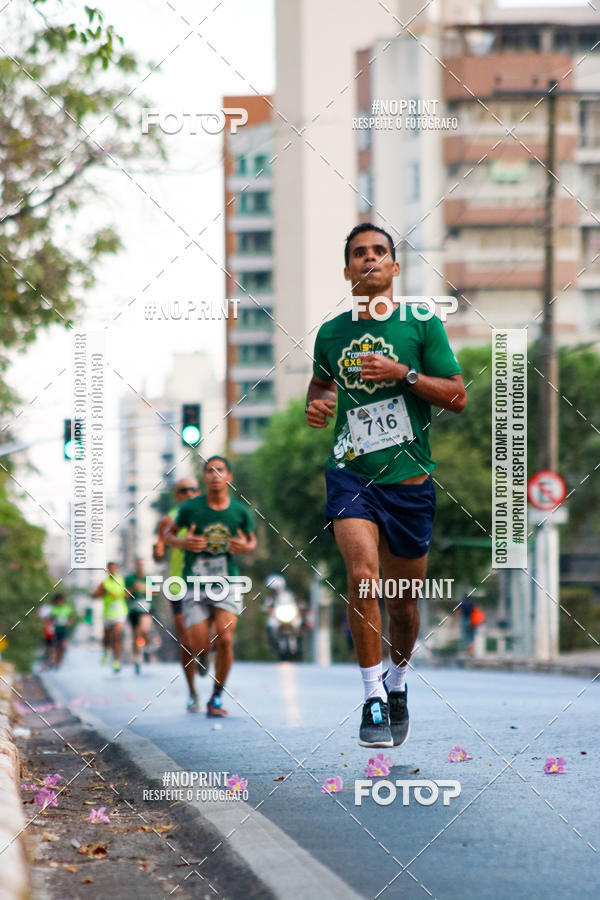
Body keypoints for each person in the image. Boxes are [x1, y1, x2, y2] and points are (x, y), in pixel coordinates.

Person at [306, 223, 466, 748]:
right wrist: (319, 403)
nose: (369, 259)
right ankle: (372, 696)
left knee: (401, 602)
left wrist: (404, 374)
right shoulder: (331, 334)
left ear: (395, 268)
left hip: (410, 482)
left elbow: (457, 397)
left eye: (379, 252)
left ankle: (398, 683)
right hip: (352, 475)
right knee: (362, 578)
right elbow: (320, 383)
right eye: (359, 254)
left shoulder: (422, 323)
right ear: (348, 270)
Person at [164, 456, 256, 717]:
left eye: (220, 470)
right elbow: (168, 534)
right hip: (194, 583)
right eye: (210, 471)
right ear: (204, 477)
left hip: (227, 582)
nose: (215, 475)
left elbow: (251, 542)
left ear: (229, 477)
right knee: (200, 646)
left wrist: (245, 547)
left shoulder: (240, 511)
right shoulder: (191, 509)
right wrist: (183, 543)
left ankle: (215, 698)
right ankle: (204, 653)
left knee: (226, 638)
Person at [154, 478, 203, 711]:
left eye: (194, 489)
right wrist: (158, 550)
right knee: (186, 640)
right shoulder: (169, 519)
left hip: (208, 583)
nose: (190, 494)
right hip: (179, 584)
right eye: (184, 491)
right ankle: (192, 691)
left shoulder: (209, 514)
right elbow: (159, 550)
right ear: (177, 496)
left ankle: (205, 650)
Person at [93, 562, 127, 673]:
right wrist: (102, 592)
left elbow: (126, 593)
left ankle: (116, 661)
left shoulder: (121, 580)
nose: (112, 571)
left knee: (117, 636)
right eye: (110, 569)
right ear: (108, 570)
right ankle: (106, 650)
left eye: (114, 568)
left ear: (116, 569)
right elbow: (95, 595)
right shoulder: (104, 583)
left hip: (120, 612)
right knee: (107, 637)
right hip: (108, 613)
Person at [125, 558, 152, 675]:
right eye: (138, 564)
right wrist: (134, 588)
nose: (140, 566)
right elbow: (125, 594)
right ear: (135, 566)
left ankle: (147, 647)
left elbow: (155, 592)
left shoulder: (148, 578)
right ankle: (137, 659)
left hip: (146, 609)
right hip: (134, 610)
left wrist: (145, 589)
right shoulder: (130, 578)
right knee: (136, 635)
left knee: (144, 631)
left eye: (141, 564)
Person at [49, 593, 74, 668]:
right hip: (56, 630)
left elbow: (71, 616)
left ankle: (59, 660)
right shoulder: (54, 609)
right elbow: (51, 618)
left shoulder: (66, 608)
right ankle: (55, 661)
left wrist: (69, 623)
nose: (58, 602)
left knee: (62, 646)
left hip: (64, 630)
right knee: (55, 647)